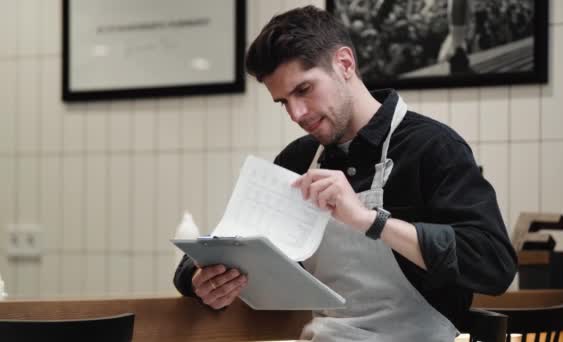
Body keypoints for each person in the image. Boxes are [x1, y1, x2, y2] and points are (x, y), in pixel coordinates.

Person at [174, 5, 517, 341]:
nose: (296, 113)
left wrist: (372, 221)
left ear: (345, 64)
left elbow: (493, 264)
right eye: (283, 102)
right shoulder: (299, 160)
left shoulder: (432, 148)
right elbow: (224, 246)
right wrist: (199, 279)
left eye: (304, 90)